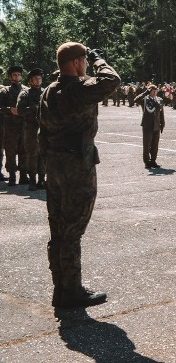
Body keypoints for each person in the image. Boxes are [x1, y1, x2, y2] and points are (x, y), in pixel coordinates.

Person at [40, 43, 120, 308]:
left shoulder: (50, 90)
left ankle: (61, 289)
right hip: (77, 167)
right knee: (72, 231)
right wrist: (99, 59)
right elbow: (112, 80)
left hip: (55, 166)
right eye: (84, 60)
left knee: (59, 229)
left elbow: (42, 132)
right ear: (76, 62)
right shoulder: (78, 89)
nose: (87, 64)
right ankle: (72, 291)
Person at [16, 68, 46, 190]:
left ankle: (42, 180)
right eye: (35, 78)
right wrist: (34, 108)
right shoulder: (25, 94)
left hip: (44, 127)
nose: (38, 80)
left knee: (43, 155)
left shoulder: (46, 92)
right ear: (30, 81)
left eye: (40, 78)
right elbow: (19, 110)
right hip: (30, 128)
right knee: (32, 155)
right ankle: (32, 181)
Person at [0, 65, 25, 185]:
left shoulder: (26, 90)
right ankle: (12, 176)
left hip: (24, 125)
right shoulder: (5, 91)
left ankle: (23, 176)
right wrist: (9, 109)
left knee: (23, 150)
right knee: (10, 151)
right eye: (14, 75)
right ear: (10, 77)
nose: (17, 77)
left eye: (19, 74)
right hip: (10, 126)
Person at [135, 84, 165, 168]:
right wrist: (145, 93)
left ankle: (153, 161)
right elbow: (136, 100)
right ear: (149, 91)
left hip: (156, 125)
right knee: (147, 145)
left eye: (156, 90)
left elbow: (161, 113)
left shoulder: (159, 100)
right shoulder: (144, 100)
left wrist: (162, 123)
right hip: (147, 125)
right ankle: (146, 162)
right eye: (153, 90)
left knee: (155, 145)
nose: (155, 92)